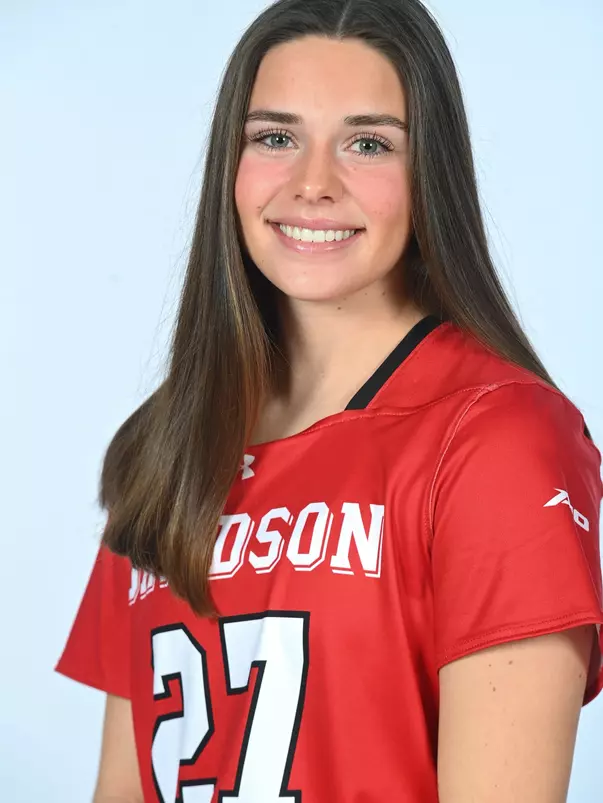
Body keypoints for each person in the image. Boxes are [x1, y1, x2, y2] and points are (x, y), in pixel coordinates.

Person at [55, 0, 603, 801]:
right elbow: (122, 783)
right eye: (275, 138)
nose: (312, 184)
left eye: (367, 143)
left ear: (431, 175)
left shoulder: (497, 438)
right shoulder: (170, 443)